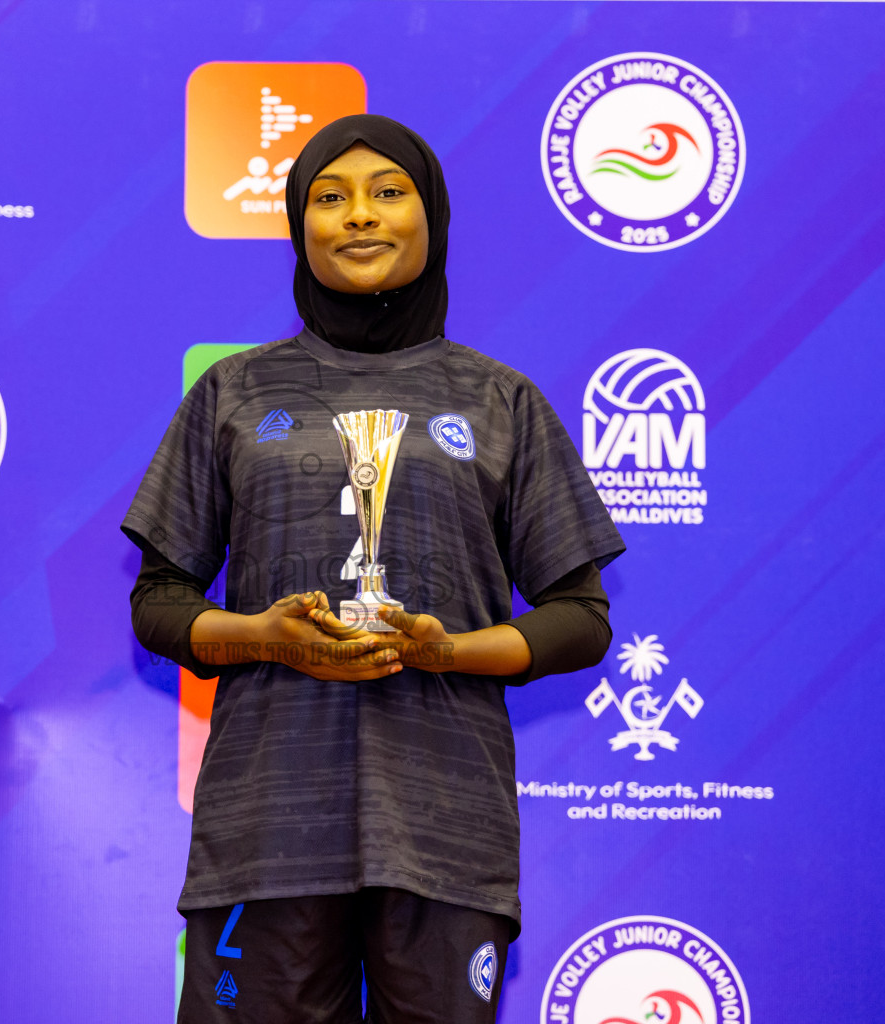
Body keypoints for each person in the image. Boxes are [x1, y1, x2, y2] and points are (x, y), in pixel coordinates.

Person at [123, 114, 625, 1024]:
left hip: (444, 827)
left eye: (387, 192)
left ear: (431, 217)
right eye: (330, 197)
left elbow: (582, 616)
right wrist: (262, 639)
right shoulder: (233, 393)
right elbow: (158, 605)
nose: (359, 216)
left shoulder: (501, 398)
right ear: (297, 225)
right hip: (266, 828)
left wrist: (453, 650)